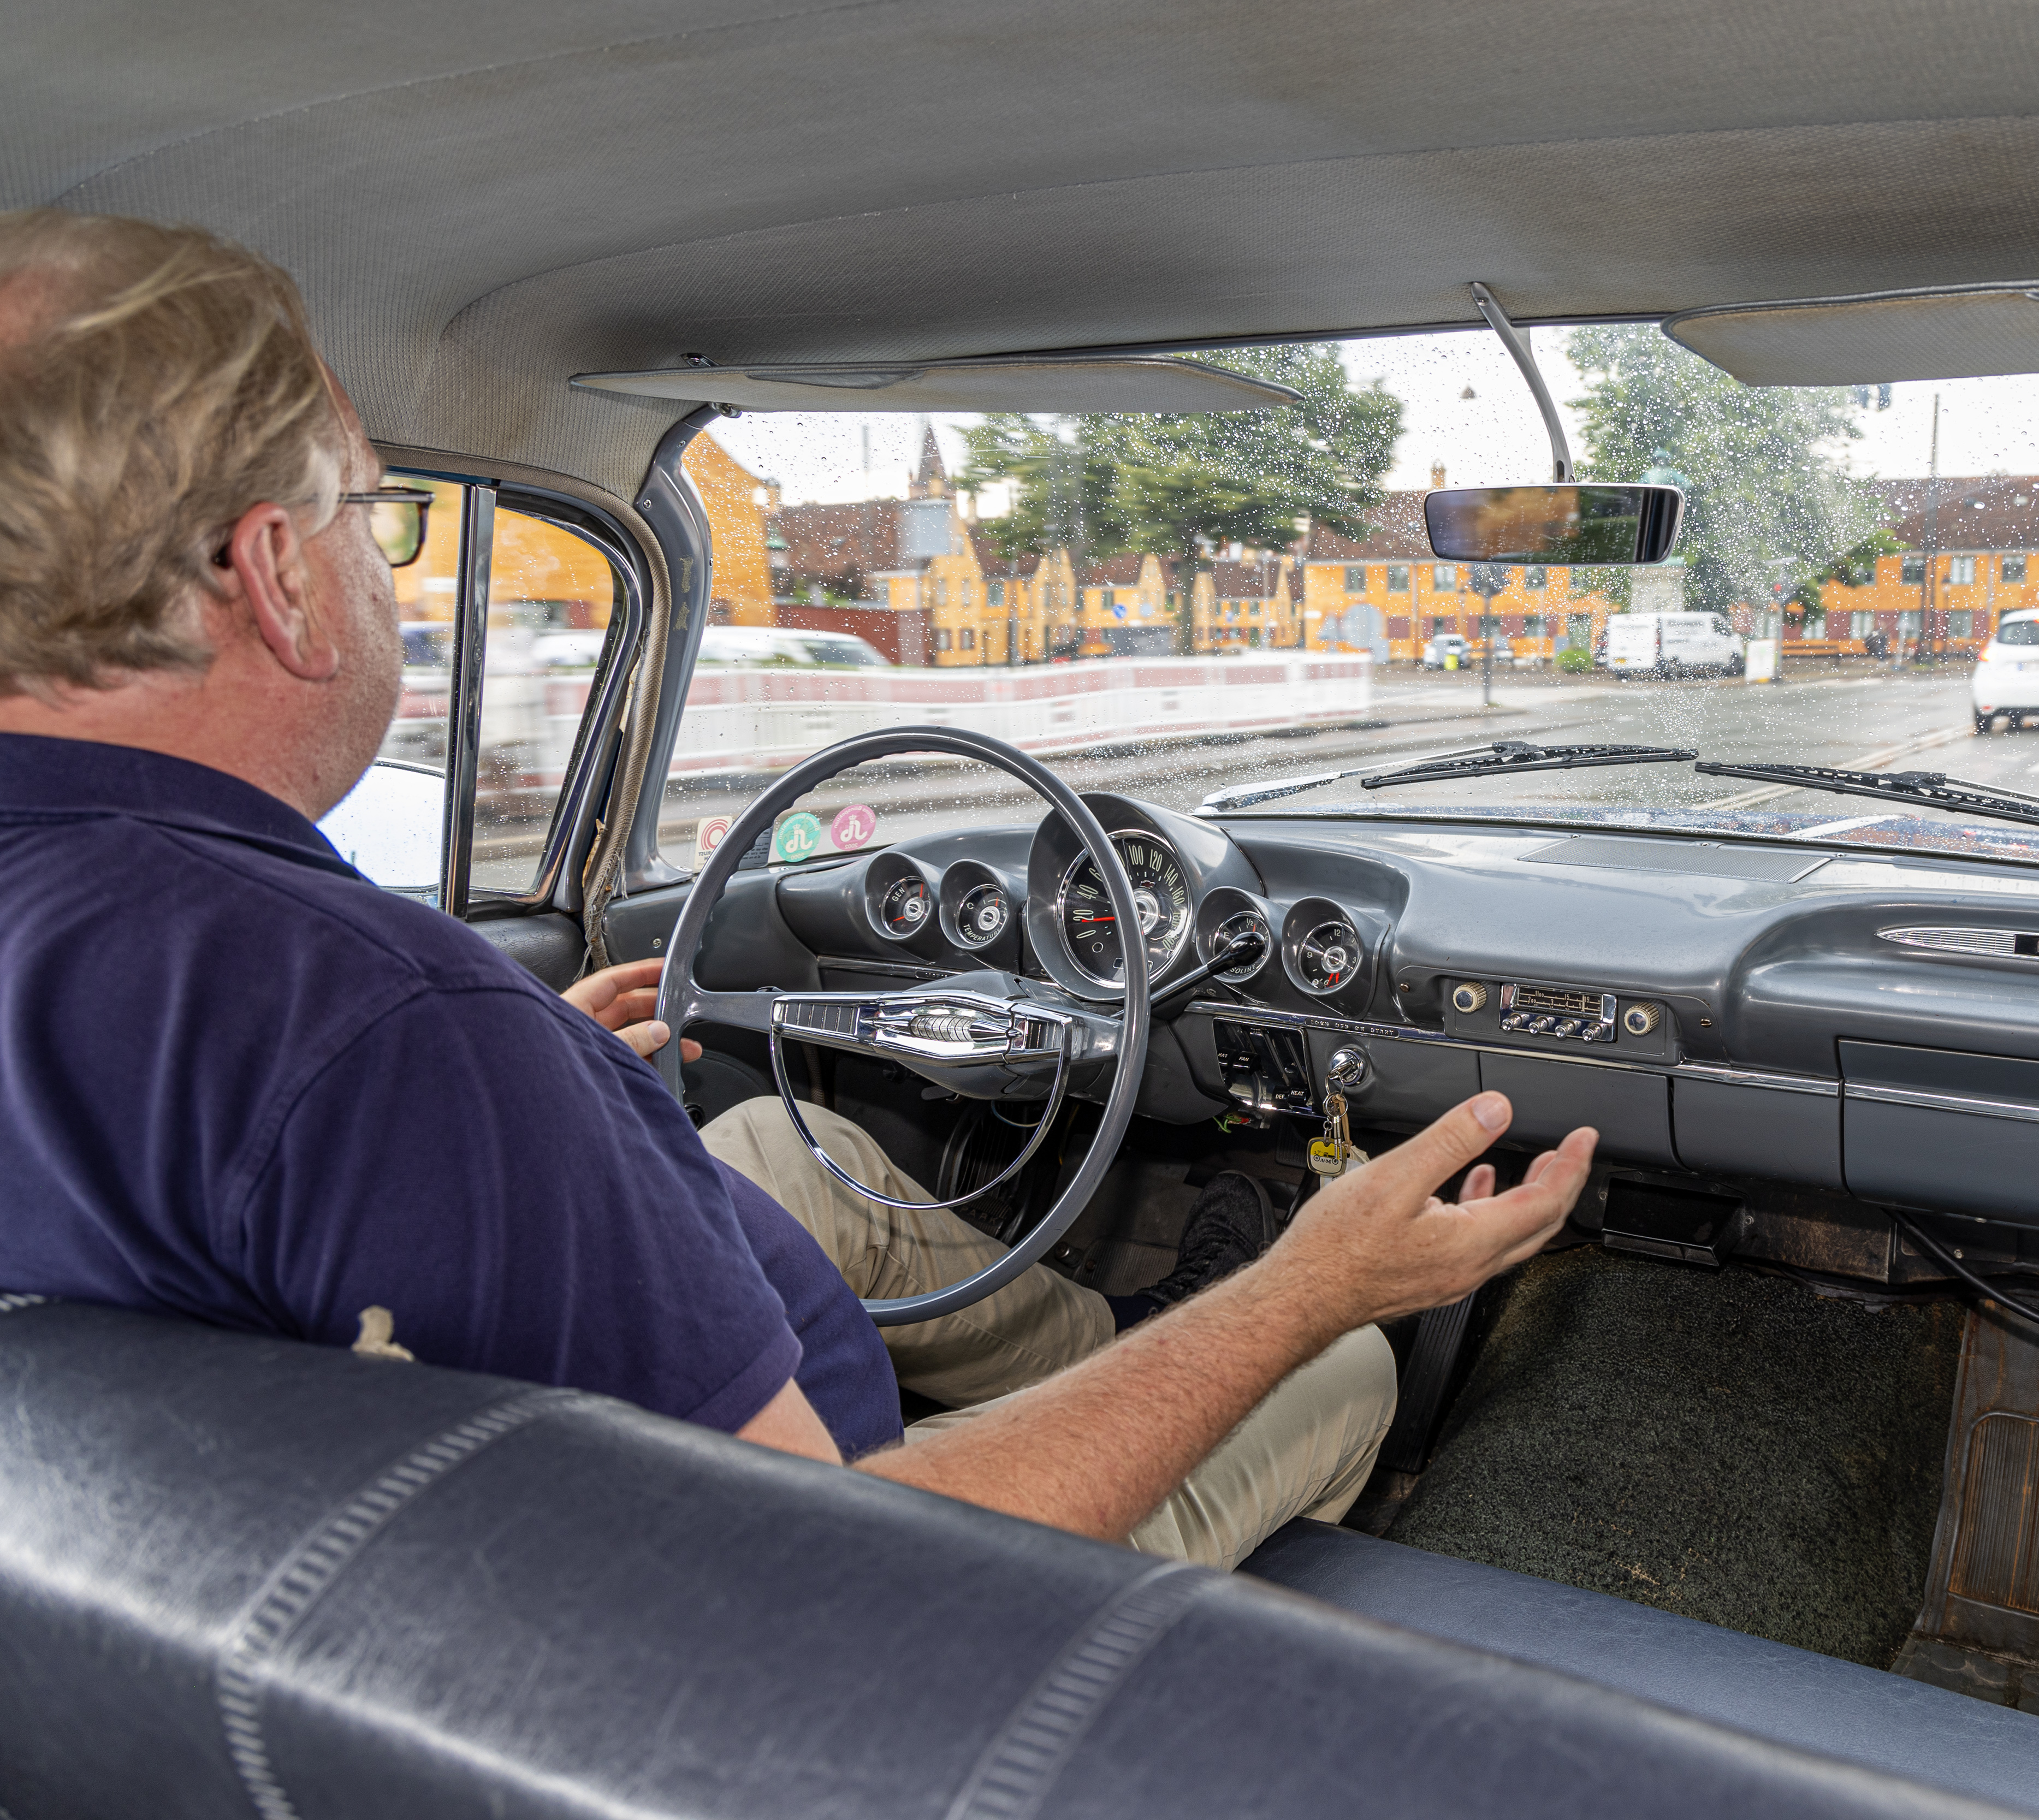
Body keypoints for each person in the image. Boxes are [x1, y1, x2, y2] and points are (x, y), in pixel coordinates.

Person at [0, 209, 1598, 1569]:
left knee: (801, 1152)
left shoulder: (333, 1025)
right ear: (277, 574)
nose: (387, 572)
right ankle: (1213, 1396)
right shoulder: (388, 1031)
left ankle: (1117, 1351)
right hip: (818, 1583)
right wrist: (1312, 1288)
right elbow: (797, 1588)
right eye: (373, 512)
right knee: (1336, 1371)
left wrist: (532, 1083)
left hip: (392, 1500)